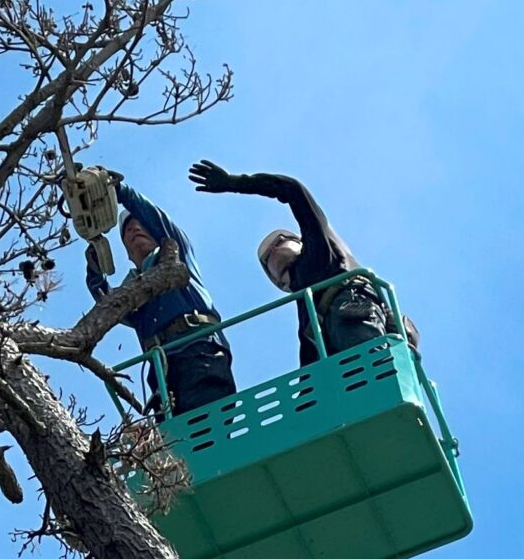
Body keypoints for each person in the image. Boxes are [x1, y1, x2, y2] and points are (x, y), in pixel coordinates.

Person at [187, 160, 404, 365]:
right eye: (268, 258)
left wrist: (235, 183)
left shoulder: (323, 251)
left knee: (372, 367)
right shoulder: (306, 309)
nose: (274, 250)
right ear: (281, 284)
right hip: (332, 339)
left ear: (300, 243)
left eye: (280, 241)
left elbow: (294, 190)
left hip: (354, 307)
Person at [85, 177, 237, 419]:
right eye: (127, 231)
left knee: (211, 425)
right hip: (161, 371)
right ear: (125, 250)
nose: (134, 228)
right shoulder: (133, 290)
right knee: (175, 444)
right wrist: (95, 273)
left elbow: (156, 218)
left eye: (140, 224)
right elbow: (108, 306)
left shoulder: (178, 255)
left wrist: (120, 192)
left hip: (200, 350)